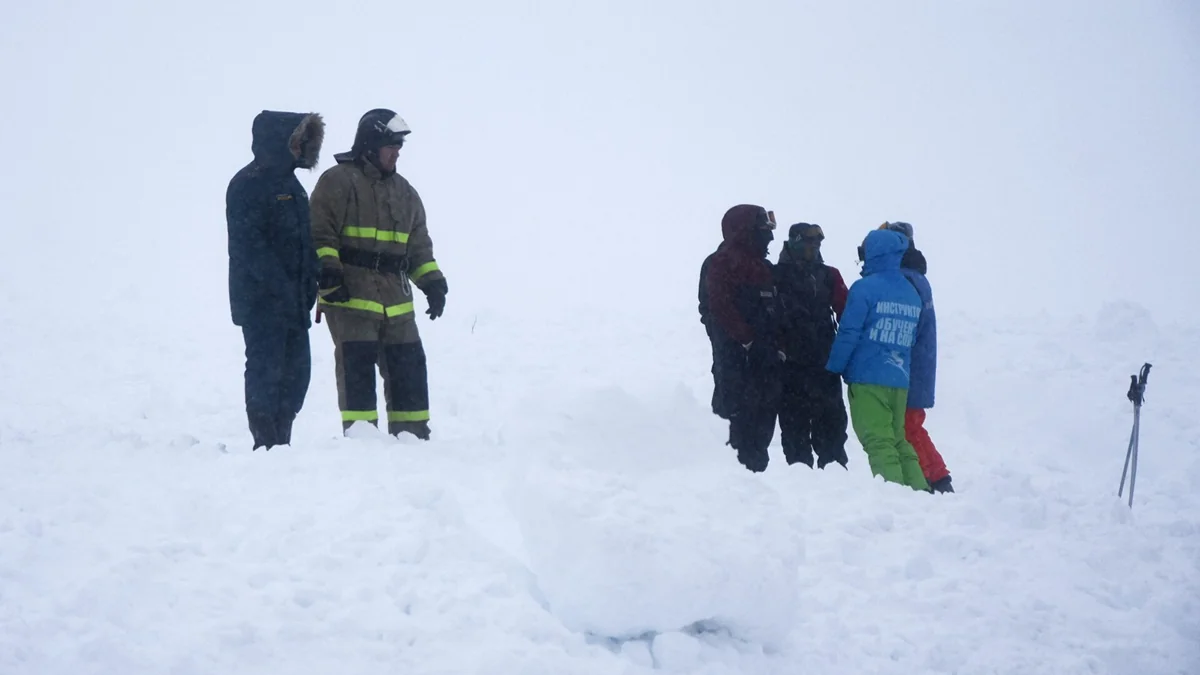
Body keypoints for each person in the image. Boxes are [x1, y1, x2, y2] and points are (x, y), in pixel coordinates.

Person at [309, 108, 448, 440]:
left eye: (399, 146)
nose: (397, 152)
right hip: (350, 297)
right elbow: (317, 234)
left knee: (409, 369)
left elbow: (418, 246)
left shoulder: (405, 192)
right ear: (370, 145)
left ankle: (413, 438)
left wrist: (432, 281)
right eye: (391, 145)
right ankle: (361, 442)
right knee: (356, 373)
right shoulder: (337, 182)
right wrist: (329, 272)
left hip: (397, 302)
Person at [226, 110, 324, 450]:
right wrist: (281, 287)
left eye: (303, 142)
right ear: (279, 142)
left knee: (297, 376)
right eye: (297, 141)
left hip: (295, 303)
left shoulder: (291, 186)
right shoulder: (247, 184)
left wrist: (313, 276)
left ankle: (283, 437)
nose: (300, 148)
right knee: (266, 373)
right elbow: (248, 248)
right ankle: (265, 442)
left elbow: (304, 240)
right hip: (261, 304)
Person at [825, 228, 928, 490]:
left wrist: (833, 368)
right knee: (899, 439)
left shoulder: (864, 289)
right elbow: (913, 338)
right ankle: (919, 492)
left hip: (867, 377)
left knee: (878, 441)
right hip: (899, 378)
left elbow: (849, 332)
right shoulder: (911, 292)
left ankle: (895, 495)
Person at [701, 204, 783, 472]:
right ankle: (733, 484)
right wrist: (744, 340)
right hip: (736, 364)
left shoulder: (764, 267)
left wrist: (776, 346)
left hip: (765, 363)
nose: (769, 237)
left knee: (761, 428)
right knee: (734, 426)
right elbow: (716, 306)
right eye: (763, 229)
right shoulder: (721, 262)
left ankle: (755, 486)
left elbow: (778, 310)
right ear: (746, 230)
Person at [884, 222, 953, 493]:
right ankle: (938, 477)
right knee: (912, 425)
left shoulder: (905, 279)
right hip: (918, 364)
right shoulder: (916, 276)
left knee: (907, 427)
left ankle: (927, 479)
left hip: (908, 365)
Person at [774, 223, 850, 468]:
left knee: (831, 427)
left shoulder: (829, 274)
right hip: (791, 365)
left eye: (817, 243)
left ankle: (835, 476)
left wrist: (845, 353)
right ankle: (801, 482)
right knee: (795, 428)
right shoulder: (774, 275)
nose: (814, 247)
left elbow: (847, 314)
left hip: (823, 363)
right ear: (794, 241)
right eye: (809, 242)